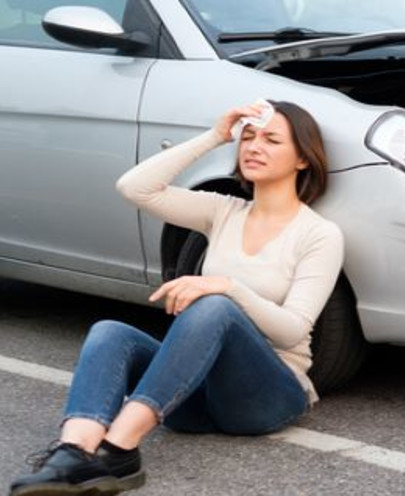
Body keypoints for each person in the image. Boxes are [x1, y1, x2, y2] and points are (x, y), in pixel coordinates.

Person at [9, 100, 344, 496]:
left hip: (266, 397)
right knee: (109, 332)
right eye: (248, 137)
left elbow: (292, 332)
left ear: (303, 159)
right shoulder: (223, 211)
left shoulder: (320, 235)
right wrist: (215, 136)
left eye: (272, 140)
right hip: (194, 397)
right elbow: (134, 187)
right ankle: (74, 452)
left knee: (215, 303)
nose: (254, 147)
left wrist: (228, 287)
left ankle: (119, 447)